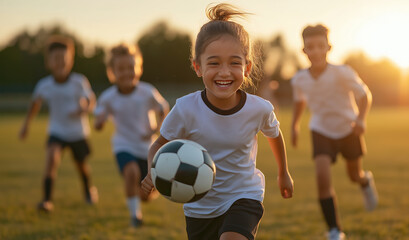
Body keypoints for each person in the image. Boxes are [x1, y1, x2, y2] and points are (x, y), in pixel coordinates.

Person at [141, 3, 294, 240]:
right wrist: (153, 170)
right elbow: (158, 144)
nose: (224, 72)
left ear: (247, 68)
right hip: (199, 207)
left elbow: (274, 134)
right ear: (197, 67)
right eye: (214, 63)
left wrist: (283, 172)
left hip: (244, 195)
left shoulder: (259, 108)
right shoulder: (185, 109)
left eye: (234, 63)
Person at [290, 24, 378, 240]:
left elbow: (365, 95)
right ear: (304, 51)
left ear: (329, 47)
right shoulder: (299, 79)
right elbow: (299, 101)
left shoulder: (342, 72)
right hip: (320, 130)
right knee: (322, 177)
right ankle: (334, 230)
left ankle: (365, 182)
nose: (316, 51)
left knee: (353, 175)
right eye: (310, 47)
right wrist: (294, 125)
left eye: (321, 46)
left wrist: (361, 120)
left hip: (349, 129)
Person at [19, 35, 98, 213]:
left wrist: (84, 108)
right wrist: (26, 126)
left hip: (78, 132)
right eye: (56, 59)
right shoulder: (44, 85)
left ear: (70, 60)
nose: (61, 62)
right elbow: (34, 105)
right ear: (48, 62)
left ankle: (88, 192)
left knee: (81, 165)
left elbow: (90, 99)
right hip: (57, 131)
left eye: (64, 58)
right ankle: (46, 200)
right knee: (51, 160)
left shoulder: (79, 81)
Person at [94, 43, 169, 227]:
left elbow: (163, 108)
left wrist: (156, 129)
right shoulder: (108, 97)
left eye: (131, 67)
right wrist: (100, 121)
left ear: (139, 69)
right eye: (121, 69)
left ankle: (144, 199)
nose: (126, 72)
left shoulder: (147, 92)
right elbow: (98, 123)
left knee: (146, 196)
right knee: (131, 172)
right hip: (123, 145)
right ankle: (135, 216)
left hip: (147, 148)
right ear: (112, 72)